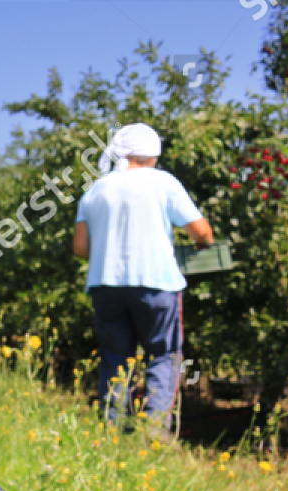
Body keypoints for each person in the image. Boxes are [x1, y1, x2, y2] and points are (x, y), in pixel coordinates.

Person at [72, 123, 214, 428]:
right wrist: (204, 244)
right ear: (153, 155)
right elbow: (201, 231)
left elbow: (81, 247)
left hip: (105, 284)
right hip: (157, 282)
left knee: (115, 356)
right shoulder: (163, 182)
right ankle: (153, 430)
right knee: (162, 355)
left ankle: (112, 428)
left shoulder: (96, 189)